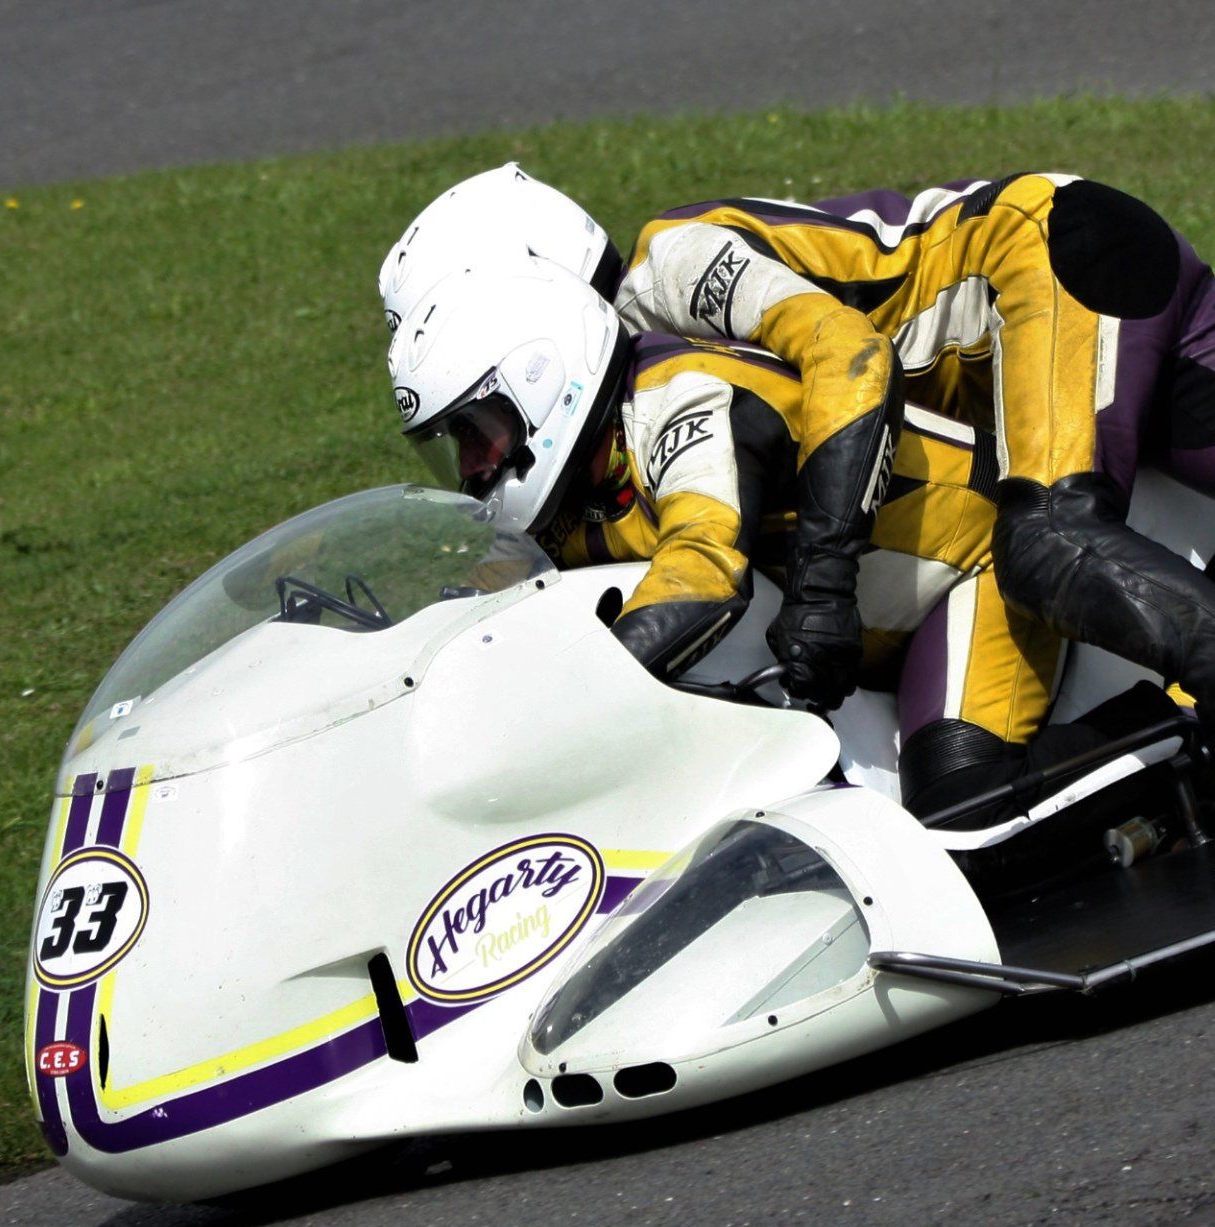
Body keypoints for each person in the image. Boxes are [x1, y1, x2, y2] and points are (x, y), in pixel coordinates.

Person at [380, 164, 1215, 785]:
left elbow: (851, 360)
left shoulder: (674, 268)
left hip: (1033, 268)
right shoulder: (631, 384)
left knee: (1049, 541)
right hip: (1044, 293)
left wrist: (829, 588)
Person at [387, 258, 1062, 820]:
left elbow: (702, 569)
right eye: (456, 443)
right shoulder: (564, 498)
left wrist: (571, 705)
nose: (473, 466)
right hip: (850, 646)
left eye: (478, 430)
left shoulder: (677, 401)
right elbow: (486, 609)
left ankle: (1157, 746)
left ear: (538, 382)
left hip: (977, 572)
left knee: (956, 804)